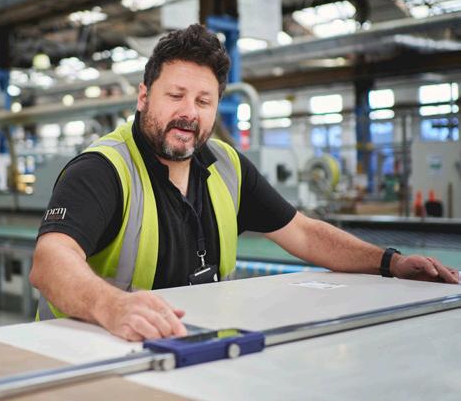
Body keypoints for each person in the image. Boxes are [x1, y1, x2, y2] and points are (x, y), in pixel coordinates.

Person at [29, 24, 459, 342]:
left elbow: (303, 232)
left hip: (187, 353)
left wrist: (389, 262)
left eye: (203, 101)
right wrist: (112, 305)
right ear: (144, 97)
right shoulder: (103, 169)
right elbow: (50, 261)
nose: (189, 113)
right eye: (175, 96)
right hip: (81, 359)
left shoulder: (227, 166)